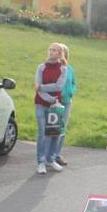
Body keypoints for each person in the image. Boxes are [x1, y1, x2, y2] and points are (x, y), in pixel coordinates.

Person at [34, 43, 67, 175]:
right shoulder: (41, 67)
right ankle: (41, 162)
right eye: (50, 50)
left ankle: (51, 159)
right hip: (41, 103)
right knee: (43, 133)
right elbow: (38, 85)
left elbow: (58, 87)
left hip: (56, 105)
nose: (51, 52)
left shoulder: (64, 69)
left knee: (54, 133)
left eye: (54, 50)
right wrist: (49, 98)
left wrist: (41, 87)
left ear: (60, 54)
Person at [51, 43, 76, 166]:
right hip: (56, 102)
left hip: (67, 103)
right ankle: (49, 156)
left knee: (62, 130)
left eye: (62, 52)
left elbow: (73, 83)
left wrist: (71, 92)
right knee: (53, 130)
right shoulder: (54, 67)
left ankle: (57, 155)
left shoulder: (70, 68)